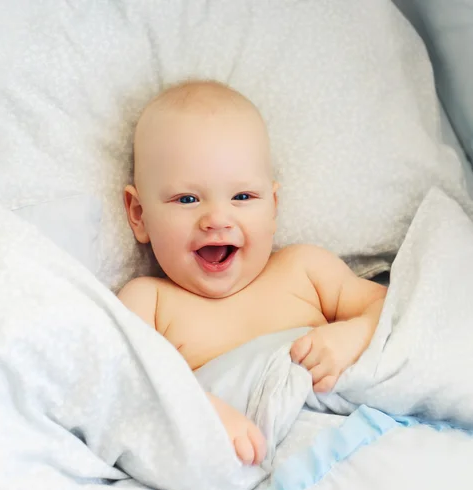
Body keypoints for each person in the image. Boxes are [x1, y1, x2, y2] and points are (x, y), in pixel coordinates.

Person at [118, 79, 387, 467]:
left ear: (273, 205)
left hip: (357, 442)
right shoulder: (149, 301)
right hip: (260, 464)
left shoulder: (305, 269)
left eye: (242, 197)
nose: (217, 219)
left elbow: (394, 311)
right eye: (188, 199)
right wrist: (200, 413)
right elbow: (125, 383)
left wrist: (354, 336)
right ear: (139, 214)